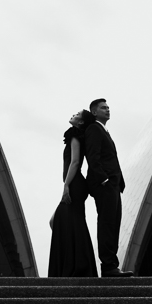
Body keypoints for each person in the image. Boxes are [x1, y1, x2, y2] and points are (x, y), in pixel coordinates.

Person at [85, 98, 133, 277]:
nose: (107, 110)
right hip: (105, 185)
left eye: (108, 107)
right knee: (107, 224)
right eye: (103, 108)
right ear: (94, 112)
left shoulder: (104, 131)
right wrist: (103, 180)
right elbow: (93, 156)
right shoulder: (94, 129)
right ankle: (108, 266)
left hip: (113, 185)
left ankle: (112, 265)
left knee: (114, 224)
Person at [47, 109, 97, 277]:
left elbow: (75, 162)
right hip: (74, 184)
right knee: (61, 221)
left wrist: (66, 185)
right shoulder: (74, 136)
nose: (73, 115)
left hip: (75, 184)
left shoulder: (75, 136)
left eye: (77, 114)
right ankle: (77, 263)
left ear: (80, 122)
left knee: (67, 221)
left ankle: (79, 265)